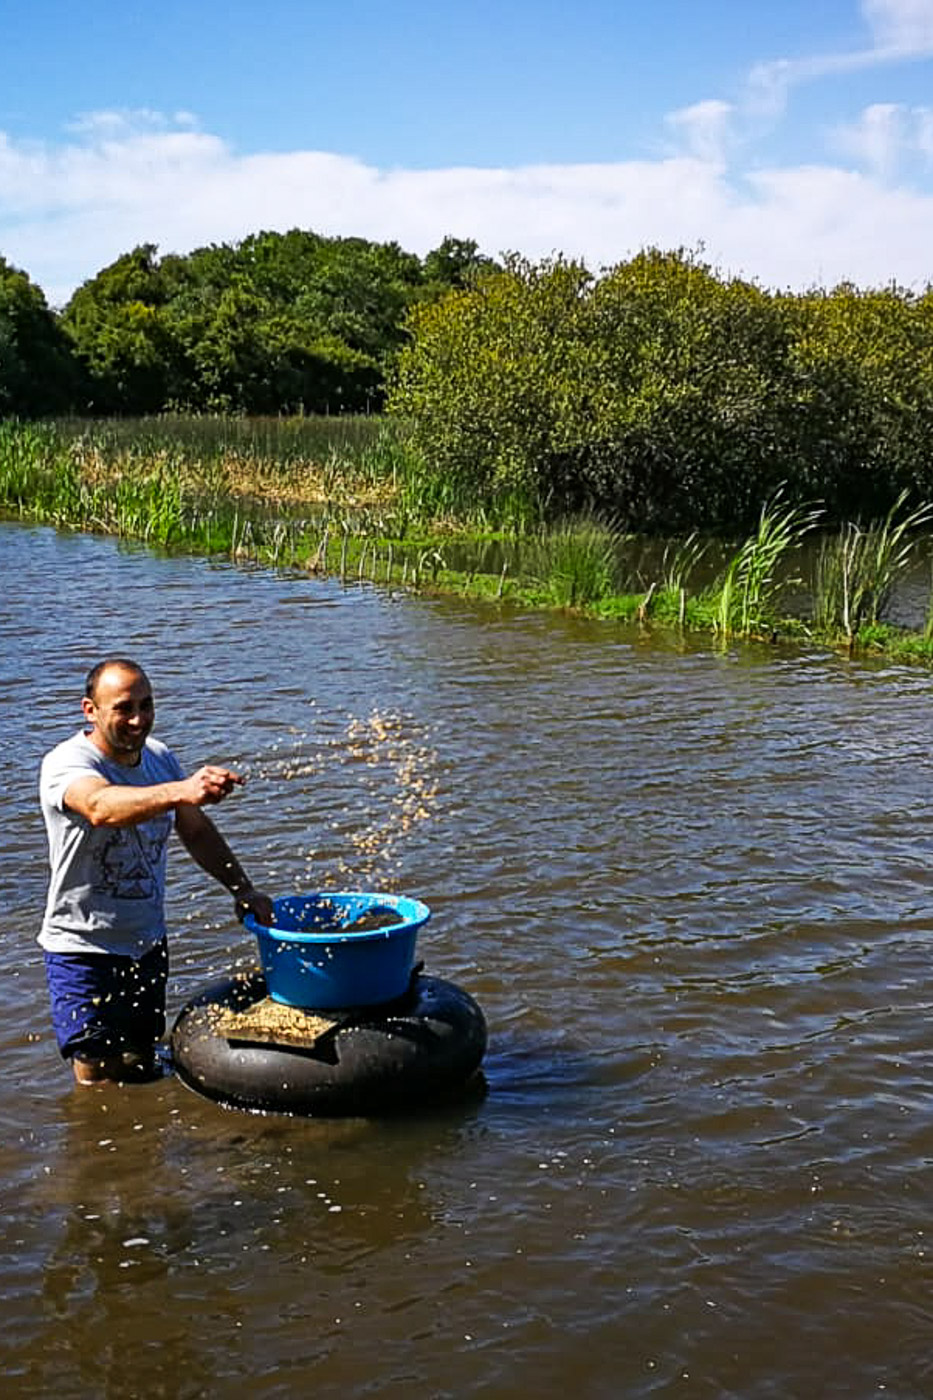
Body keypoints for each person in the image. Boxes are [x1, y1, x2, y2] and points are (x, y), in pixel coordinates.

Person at [38, 657, 274, 1087]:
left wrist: (244, 889)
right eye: (124, 708)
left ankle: (145, 1149)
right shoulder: (67, 763)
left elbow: (197, 830)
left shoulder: (160, 758)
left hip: (146, 942)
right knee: (97, 1083)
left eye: (146, 706)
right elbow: (100, 808)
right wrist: (182, 790)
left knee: (142, 1060)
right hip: (82, 948)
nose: (138, 719)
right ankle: (98, 1152)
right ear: (89, 710)